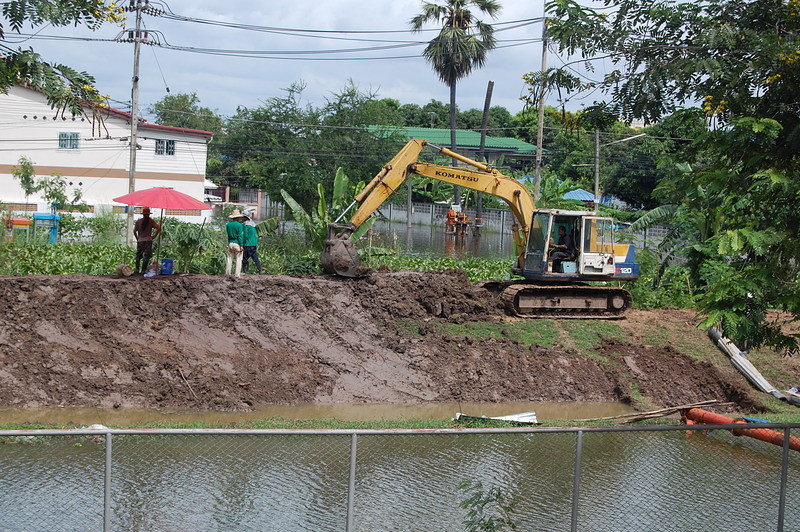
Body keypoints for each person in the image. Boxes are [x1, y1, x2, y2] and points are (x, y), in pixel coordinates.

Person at [133, 207, 161, 274]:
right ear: (149, 214)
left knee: (138, 256)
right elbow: (159, 228)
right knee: (146, 256)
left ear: (143, 214)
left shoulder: (138, 221)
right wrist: (154, 236)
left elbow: (134, 231)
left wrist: (138, 238)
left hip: (140, 240)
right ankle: (143, 271)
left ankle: (137, 270)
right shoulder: (151, 221)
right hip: (148, 240)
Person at [225, 209, 245, 277]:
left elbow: (228, 235)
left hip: (230, 243)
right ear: (238, 217)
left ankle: (228, 273)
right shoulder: (239, 225)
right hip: (237, 243)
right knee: (239, 259)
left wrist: (228, 243)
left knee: (229, 258)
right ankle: (237, 274)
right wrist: (241, 245)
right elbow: (240, 236)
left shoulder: (228, 225)